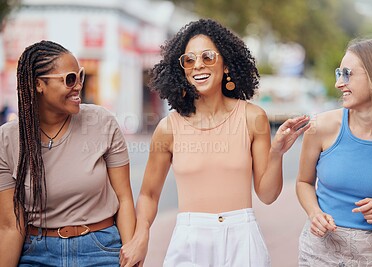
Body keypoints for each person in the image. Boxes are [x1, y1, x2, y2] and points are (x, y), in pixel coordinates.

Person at [120, 18, 310, 267]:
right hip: (188, 240)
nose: (198, 65)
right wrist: (141, 236)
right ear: (182, 70)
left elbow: (267, 194)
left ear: (227, 65)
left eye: (208, 56)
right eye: (189, 60)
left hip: (243, 239)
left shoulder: (252, 117)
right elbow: (148, 194)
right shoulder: (168, 128)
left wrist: (277, 152)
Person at [0, 40, 136, 266]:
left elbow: (124, 200)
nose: (79, 85)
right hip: (38, 254)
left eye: (80, 76)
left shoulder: (102, 122)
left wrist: (131, 257)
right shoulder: (7, 140)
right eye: (70, 79)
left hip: (101, 250)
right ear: (38, 84)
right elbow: (10, 226)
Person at [296, 38, 372, 266]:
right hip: (321, 250)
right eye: (338, 73)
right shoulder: (319, 126)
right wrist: (314, 213)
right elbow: (303, 182)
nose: (338, 83)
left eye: (347, 74)